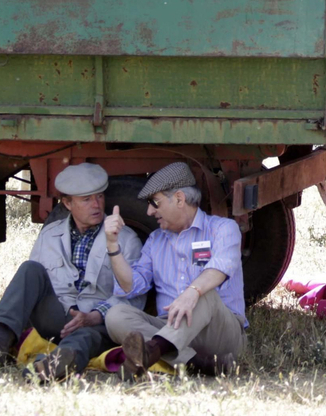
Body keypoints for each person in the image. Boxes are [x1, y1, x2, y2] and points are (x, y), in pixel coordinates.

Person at [0, 163, 145, 380]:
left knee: (84, 339)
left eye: (99, 197)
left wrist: (94, 316)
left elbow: (134, 298)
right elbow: (32, 291)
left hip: (99, 323)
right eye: (86, 199)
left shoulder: (126, 239)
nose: (96, 205)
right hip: (59, 316)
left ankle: (56, 365)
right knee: (29, 269)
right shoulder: (49, 235)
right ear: (68, 203)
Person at [104, 161, 246, 379]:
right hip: (171, 325)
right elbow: (131, 285)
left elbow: (221, 267)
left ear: (179, 199)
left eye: (155, 202)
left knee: (203, 292)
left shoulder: (223, 228)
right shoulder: (155, 240)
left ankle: (152, 351)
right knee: (115, 316)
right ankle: (197, 364)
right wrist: (113, 245)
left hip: (218, 331)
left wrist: (192, 292)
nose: (150, 211)